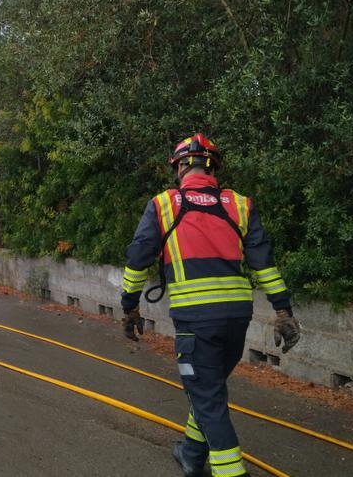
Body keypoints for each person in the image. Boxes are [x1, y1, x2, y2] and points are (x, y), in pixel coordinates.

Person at [120, 133, 301, 477]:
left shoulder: (163, 205)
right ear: (213, 167)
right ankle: (191, 453)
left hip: (196, 321)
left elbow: (137, 259)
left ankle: (230, 472)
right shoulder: (240, 204)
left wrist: (129, 307)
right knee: (208, 387)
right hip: (236, 318)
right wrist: (283, 312)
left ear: (179, 168)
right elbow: (264, 265)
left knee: (206, 393)